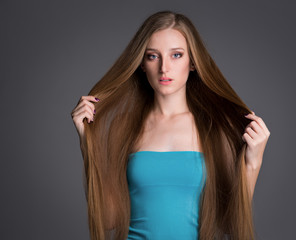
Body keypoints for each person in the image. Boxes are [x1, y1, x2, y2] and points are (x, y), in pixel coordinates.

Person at [71, 10, 270, 240]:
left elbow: (229, 225)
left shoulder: (215, 129)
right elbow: (108, 219)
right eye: (153, 56)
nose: (164, 68)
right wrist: (88, 142)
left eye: (176, 55)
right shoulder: (122, 126)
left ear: (193, 62)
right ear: (142, 64)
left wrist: (253, 163)